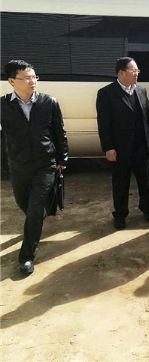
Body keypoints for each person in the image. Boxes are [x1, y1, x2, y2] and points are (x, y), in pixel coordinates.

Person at [1, 60, 68, 275]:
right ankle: (35, 221)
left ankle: (26, 256)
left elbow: (59, 132)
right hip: (18, 165)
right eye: (27, 77)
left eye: (34, 76)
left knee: (36, 208)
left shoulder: (49, 102)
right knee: (25, 204)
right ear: (12, 81)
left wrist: (62, 158)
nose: (32, 81)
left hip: (45, 164)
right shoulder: (3, 105)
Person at [96, 57, 149, 230]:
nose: (137, 74)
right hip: (120, 148)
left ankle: (148, 209)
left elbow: (147, 118)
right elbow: (103, 123)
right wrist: (108, 147)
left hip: (141, 146)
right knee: (120, 183)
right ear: (121, 73)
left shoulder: (141, 91)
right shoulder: (106, 93)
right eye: (134, 70)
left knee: (146, 181)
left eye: (137, 70)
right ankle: (120, 214)